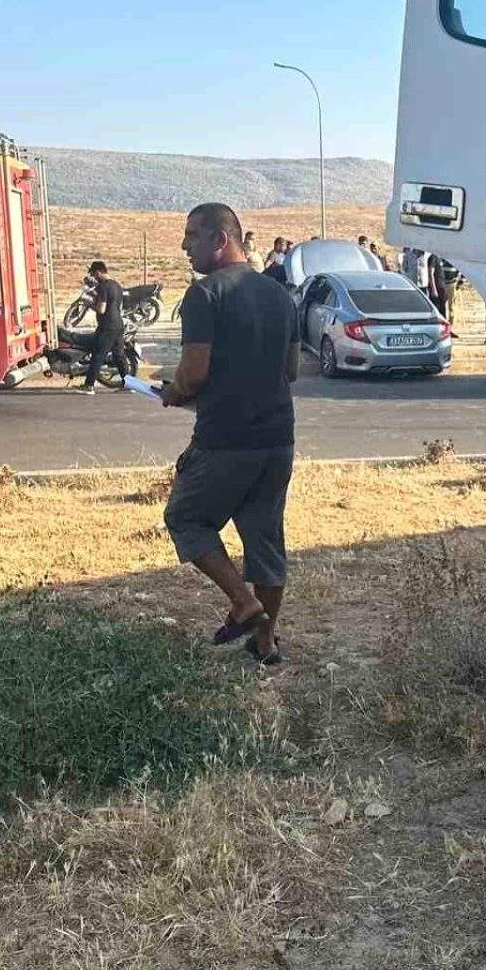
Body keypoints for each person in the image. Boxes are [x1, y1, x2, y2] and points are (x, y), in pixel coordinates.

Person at [162, 202, 300, 665]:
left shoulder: (204, 295)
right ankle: (266, 643)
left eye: (192, 236)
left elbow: (193, 374)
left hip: (225, 440)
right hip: (277, 438)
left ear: (220, 240)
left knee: (185, 518)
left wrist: (175, 391)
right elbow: (291, 371)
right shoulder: (281, 296)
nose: (184, 246)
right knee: (266, 539)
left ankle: (243, 603)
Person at [80, 260, 127, 393]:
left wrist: (90, 305)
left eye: (94, 275)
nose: (94, 278)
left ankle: (89, 386)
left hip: (108, 326)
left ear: (98, 272)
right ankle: (129, 385)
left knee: (98, 354)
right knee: (119, 356)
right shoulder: (117, 285)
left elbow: (101, 309)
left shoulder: (103, 287)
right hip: (118, 324)